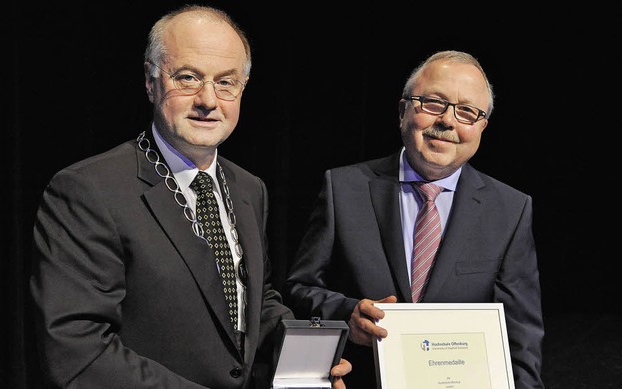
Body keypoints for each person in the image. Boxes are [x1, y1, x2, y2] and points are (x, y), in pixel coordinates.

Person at [29, 5, 351, 389]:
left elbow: (252, 302)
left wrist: (306, 365)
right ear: (151, 83)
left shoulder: (249, 189)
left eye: (226, 82)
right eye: (188, 78)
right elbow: (77, 351)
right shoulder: (88, 191)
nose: (208, 100)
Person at [282, 50, 544, 389]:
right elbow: (298, 292)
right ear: (404, 109)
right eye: (433, 103)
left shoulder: (510, 209)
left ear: (482, 127)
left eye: (466, 112)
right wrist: (347, 313)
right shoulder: (344, 189)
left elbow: (521, 338)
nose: (448, 121)